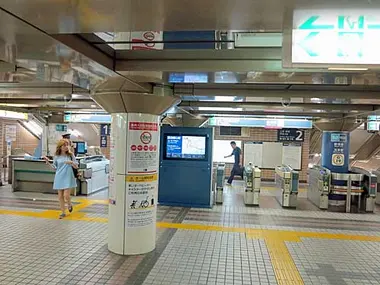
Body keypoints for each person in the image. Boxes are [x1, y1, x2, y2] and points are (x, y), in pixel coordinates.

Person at [44, 139, 78, 219]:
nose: (66, 147)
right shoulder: (56, 156)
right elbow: (55, 167)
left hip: (68, 176)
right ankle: (63, 212)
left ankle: (69, 204)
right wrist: (48, 162)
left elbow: (76, 166)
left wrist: (72, 163)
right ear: (60, 147)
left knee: (66, 195)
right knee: (60, 196)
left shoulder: (70, 155)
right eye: (64, 145)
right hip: (59, 176)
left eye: (67, 145)